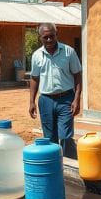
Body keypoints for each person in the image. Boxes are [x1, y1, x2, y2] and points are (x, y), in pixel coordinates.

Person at [28, 22, 82, 159]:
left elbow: (77, 76)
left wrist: (77, 99)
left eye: (52, 36)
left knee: (65, 137)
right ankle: (54, 168)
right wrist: (32, 102)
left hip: (66, 99)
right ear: (40, 38)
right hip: (45, 100)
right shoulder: (37, 56)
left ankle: (71, 168)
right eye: (45, 37)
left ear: (57, 34)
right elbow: (34, 78)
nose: (49, 40)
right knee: (49, 138)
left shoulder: (69, 52)